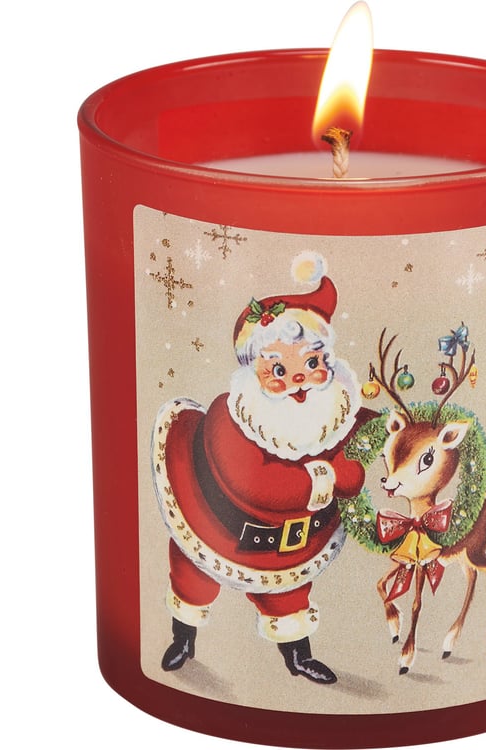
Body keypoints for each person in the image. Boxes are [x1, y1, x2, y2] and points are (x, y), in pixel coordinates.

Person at [154, 252, 372, 684]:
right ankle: (184, 636)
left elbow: (358, 450)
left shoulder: (335, 412)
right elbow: (255, 483)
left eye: (312, 363)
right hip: (216, 526)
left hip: (289, 543)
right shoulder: (232, 416)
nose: (298, 380)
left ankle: (298, 656)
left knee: (289, 596)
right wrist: (328, 478)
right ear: (255, 368)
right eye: (279, 369)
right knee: (193, 578)